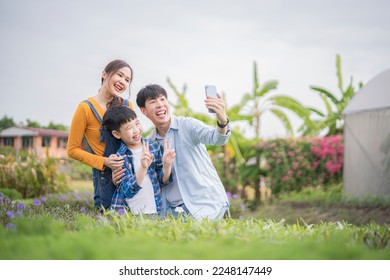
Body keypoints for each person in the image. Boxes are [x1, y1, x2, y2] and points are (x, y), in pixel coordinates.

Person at [114, 84, 231, 220]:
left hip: (207, 204)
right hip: (174, 210)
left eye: (162, 99)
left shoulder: (188, 125)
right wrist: (116, 175)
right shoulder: (149, 144)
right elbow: (148, 178)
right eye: (153, 101)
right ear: (144, 111)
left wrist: (222, 120)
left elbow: (217, 138)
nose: (159, 104)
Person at [67, 59, 134, 209]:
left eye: (127, 79)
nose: (122, 81)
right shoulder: (85, 108)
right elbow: (72, 150)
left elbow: (134, 139)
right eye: (119, 75)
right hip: (104, 178)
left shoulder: (127, 106)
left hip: (129, 173)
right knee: (109, 224)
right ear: (104, 74)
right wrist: (104, 162)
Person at [102, 105, 175, 215]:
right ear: (117, 134)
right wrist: (143, 168)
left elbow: (162, 180)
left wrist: (167, 165)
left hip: (156, 210)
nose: (136, 130)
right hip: (131, 214)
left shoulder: (153, 147)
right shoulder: (119, 157)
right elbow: (128, 191)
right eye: (129, 128)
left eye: (137, 124)